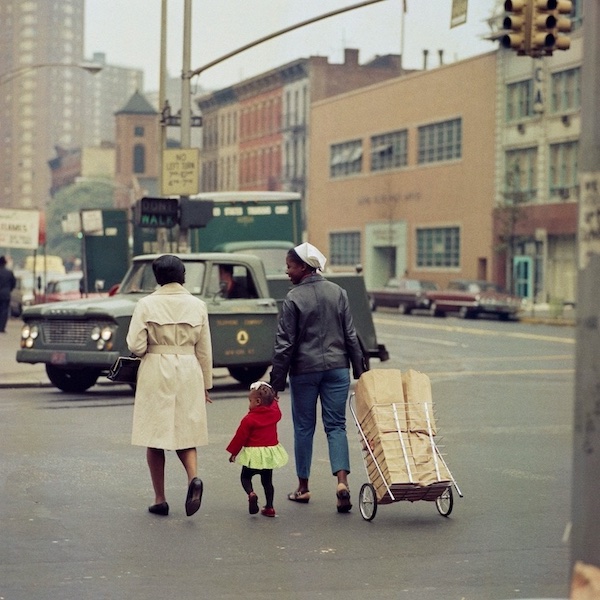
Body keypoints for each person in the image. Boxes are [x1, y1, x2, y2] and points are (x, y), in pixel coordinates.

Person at [269, 242, 367, 513]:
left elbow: (284, 344)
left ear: (303, 266)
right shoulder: (338, 293)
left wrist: (275, 383)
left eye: (290, 266)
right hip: (337, 369)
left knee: (304, 428)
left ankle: (303, 487)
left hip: (305, 370)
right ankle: (342, 482)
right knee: (336, 426)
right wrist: (360, 371)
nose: (287, 272)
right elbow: (350, 334)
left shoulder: (293, 298)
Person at [126, 254, 213, 517]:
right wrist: (206, 385)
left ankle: (160, 498)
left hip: (156, 368)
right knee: (186, 431)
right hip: (188, 369)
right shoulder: (198, 306)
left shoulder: (146, 304)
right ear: (183, 275)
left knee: (154, 435)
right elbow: (205, 350)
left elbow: (136, 346)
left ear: (157, 277)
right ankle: (193, 478)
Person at [226, 381, 288, 517]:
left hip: (253, 454)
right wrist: (274, 401)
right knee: (267, 482)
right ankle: (270, 507)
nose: (249, 404)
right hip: (268, 454)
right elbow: (275, 406)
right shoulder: (275, 414)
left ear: (258, 401)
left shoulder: (248, 419)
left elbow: (240, 437)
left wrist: (233, 452)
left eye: (250, 401)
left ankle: (251, 493)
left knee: (245, 477)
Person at [0, 256, 16, 333]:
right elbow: (13, 283)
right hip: (6, 294)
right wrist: (9, 290)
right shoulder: (9, 273)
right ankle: (2, 327)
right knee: (4, 310)